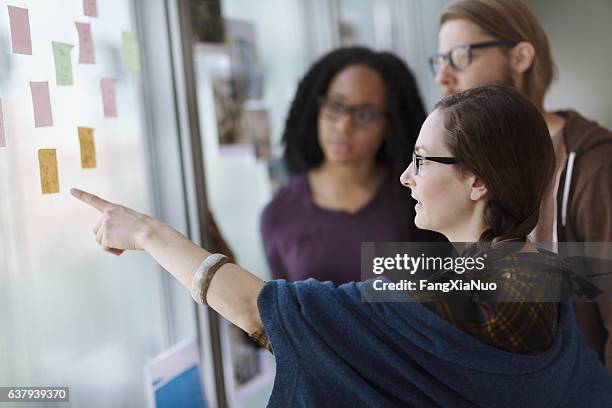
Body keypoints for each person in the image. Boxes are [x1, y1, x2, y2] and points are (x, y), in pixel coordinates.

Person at [72, 86, 612, 407]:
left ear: (478, 182)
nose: (405, 176)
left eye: (423, 160)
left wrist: (146, 232)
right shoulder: (544, 272)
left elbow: (260, 311)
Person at [430, 0, 612, 368]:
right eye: (439, 61)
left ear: (520, 56)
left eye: (461, 56)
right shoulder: (464, 169)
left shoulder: (593, 166)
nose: (443, 77)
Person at [260, 47, 443, 285]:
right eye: (335, 107)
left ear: (390, 125)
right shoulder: (279, 214)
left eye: (365, 115)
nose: (344, 126)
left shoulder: (418, 197)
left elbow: (472, 287)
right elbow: (281, 314)